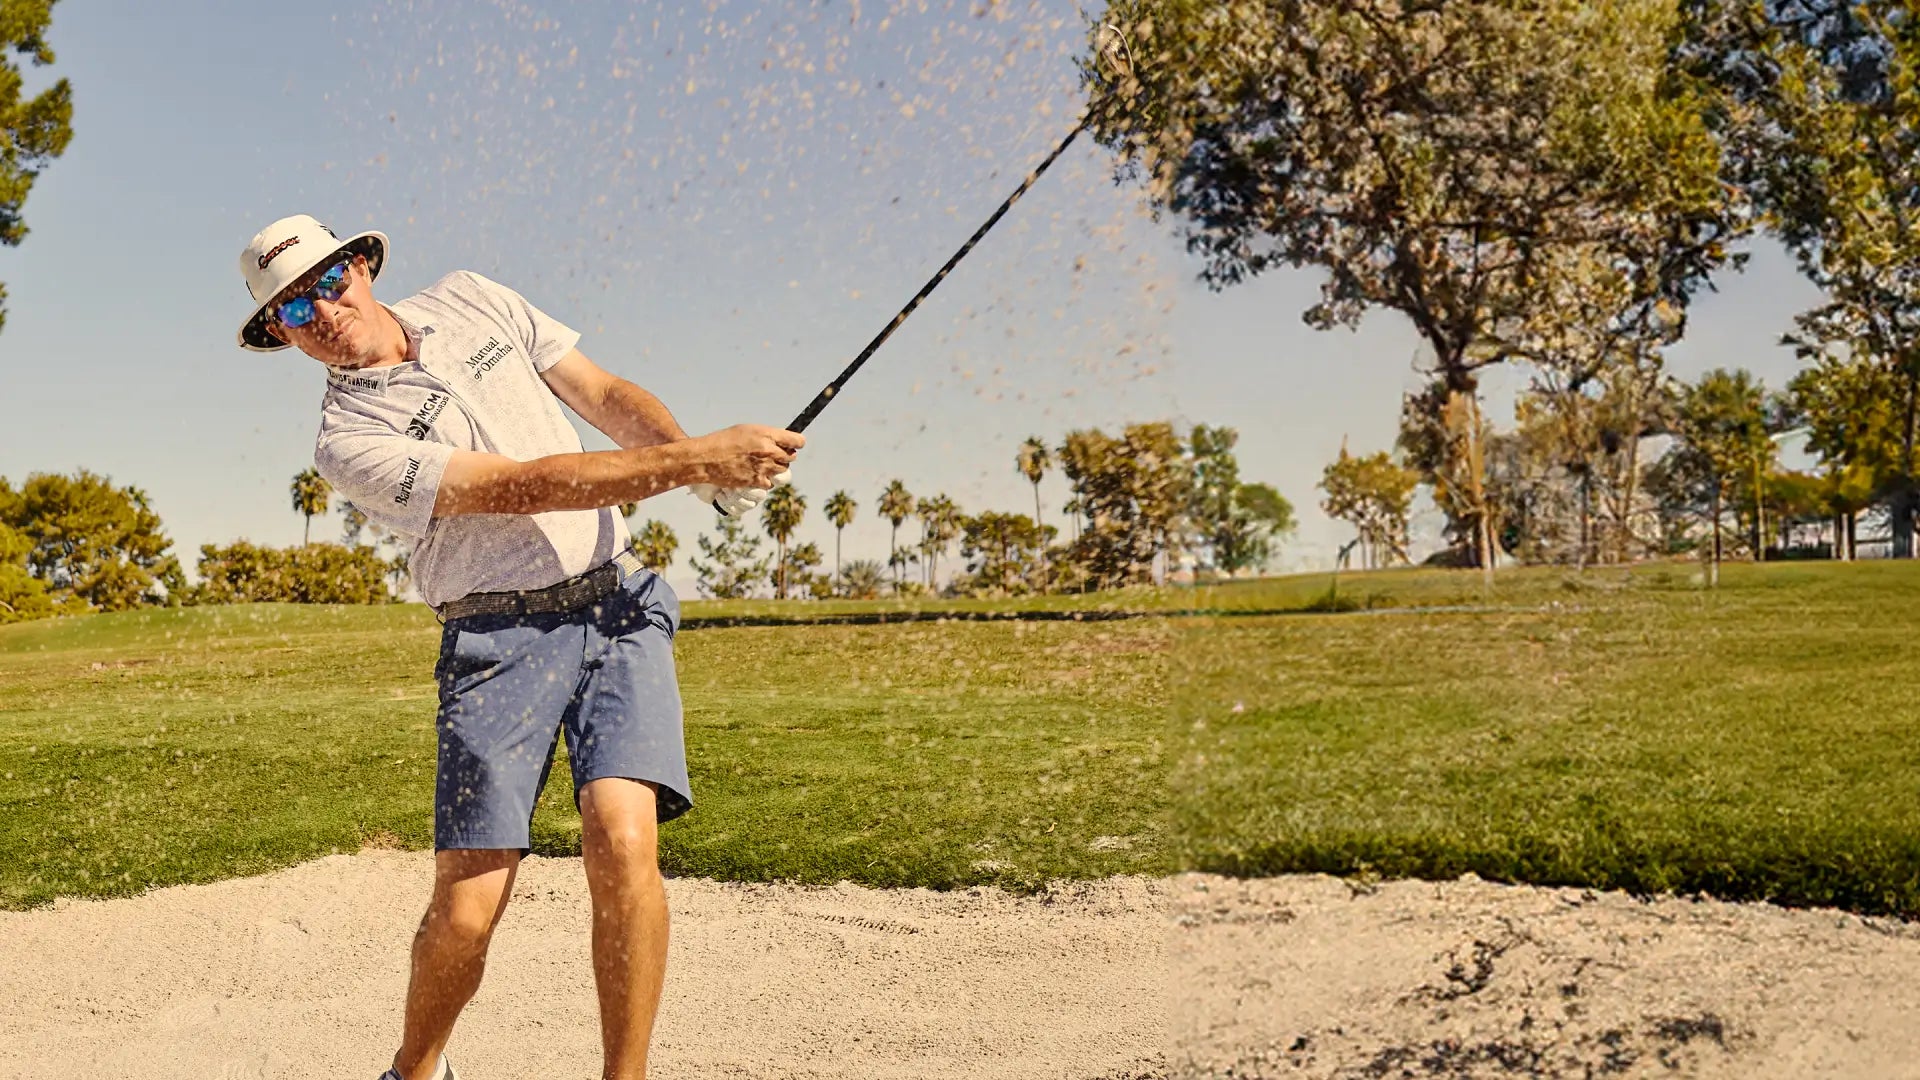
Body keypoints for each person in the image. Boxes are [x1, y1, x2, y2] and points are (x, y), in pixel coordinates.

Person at [234, 214, 801, 1080]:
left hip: (616, 607)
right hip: (494, 640)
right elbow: (522, 485)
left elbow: (602, 394)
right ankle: (415, 1069)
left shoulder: (473, 298)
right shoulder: (346, 440)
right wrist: (693, 463)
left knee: (622, 839)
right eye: (292, 309)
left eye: (325, 282)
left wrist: (692, 466)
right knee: (467, 909)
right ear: (279, 332)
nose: (320, 309)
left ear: (360, 267)